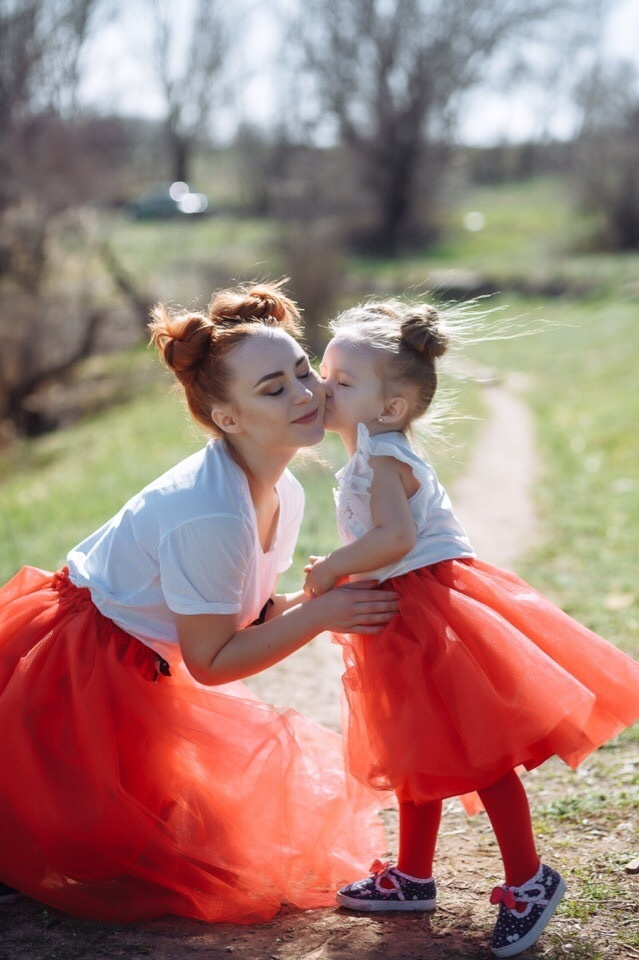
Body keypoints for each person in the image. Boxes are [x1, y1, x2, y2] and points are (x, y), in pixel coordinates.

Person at [0, 282, 399, 924]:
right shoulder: (211, 512)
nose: (305, 394)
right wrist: (320, 615)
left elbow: (249, 611)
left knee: (195, 832)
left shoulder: (281, 487)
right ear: (227, 418)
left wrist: (319, 595)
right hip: (75, 671)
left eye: (304, 371)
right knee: (92, 850)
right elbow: (212, 661)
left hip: (134, 659)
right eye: (274, 389)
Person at [303, 298, 639, 958]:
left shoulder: (380, 461)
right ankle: (413, 876)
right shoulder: (372, 452)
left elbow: (394, 537)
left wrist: (332, 569)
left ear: (390, 406)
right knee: (415, 752)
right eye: (323, 371)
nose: (321, 388)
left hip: (427, 615)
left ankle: (529, 878)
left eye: (341, 382)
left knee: (477, 755)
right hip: (404, 615)